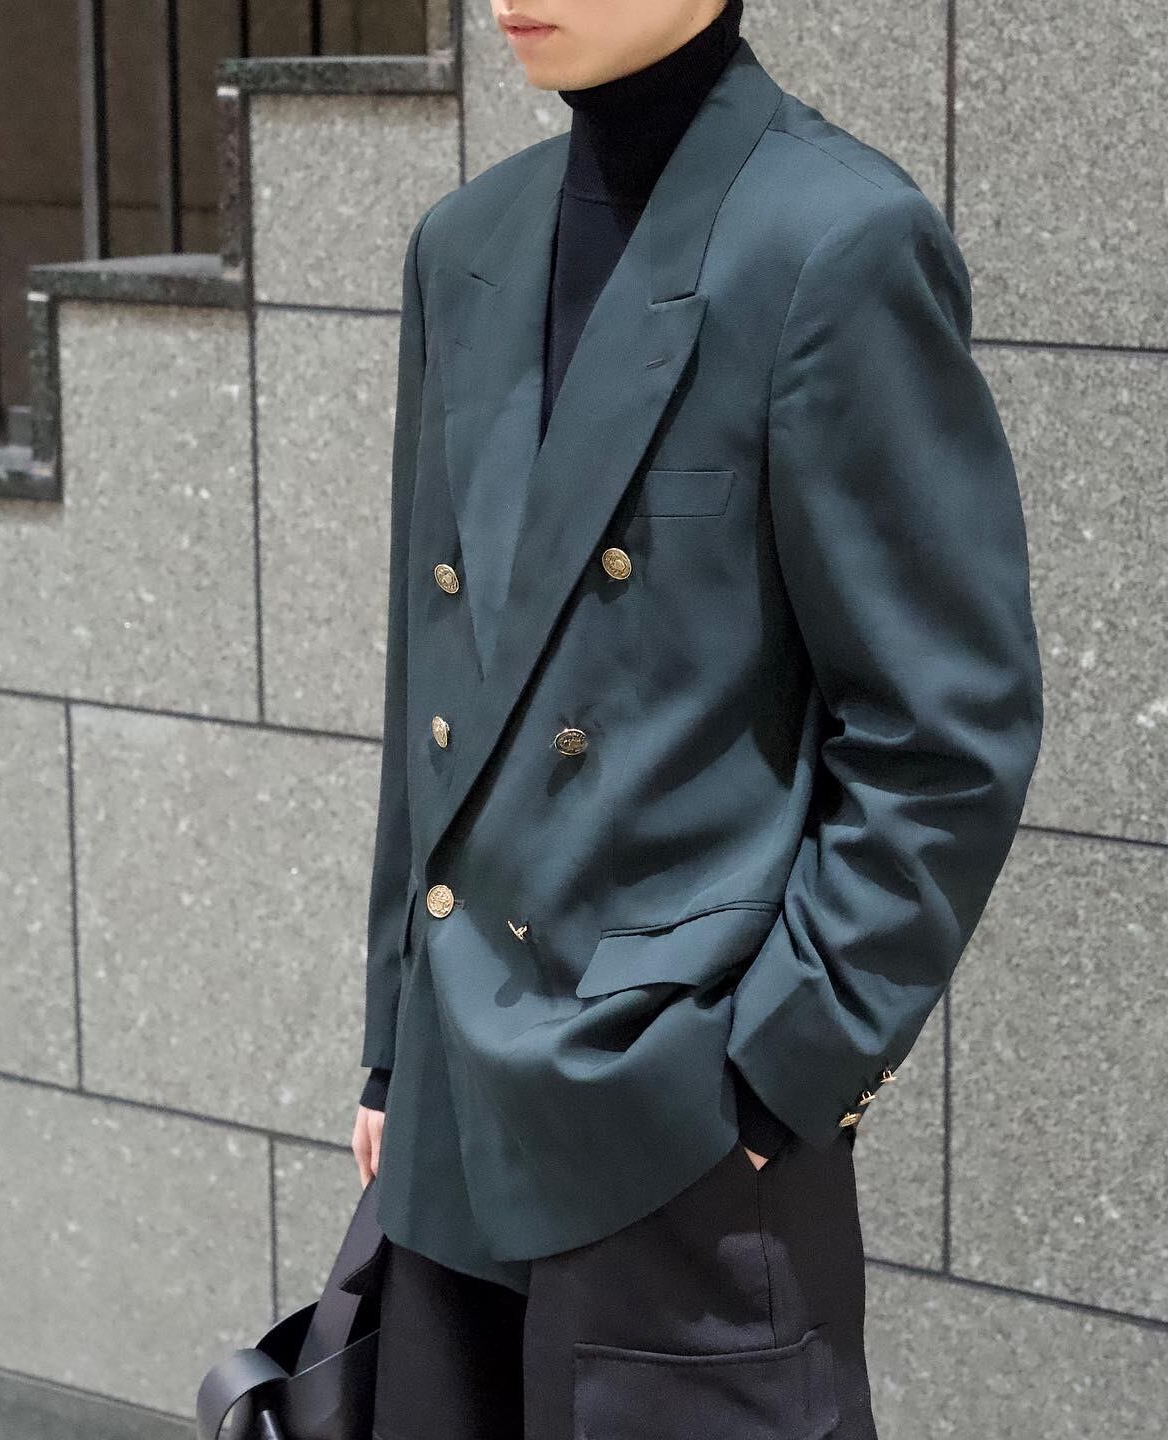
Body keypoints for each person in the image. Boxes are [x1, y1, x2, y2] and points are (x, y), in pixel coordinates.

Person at [353, 1, 1044, 1435]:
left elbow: (944, 731)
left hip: (677, 1120)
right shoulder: (463, 243)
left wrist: (779, 1075)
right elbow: (435, 692)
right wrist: (389, 1047)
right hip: (449, 1113)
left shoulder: (836, 241)